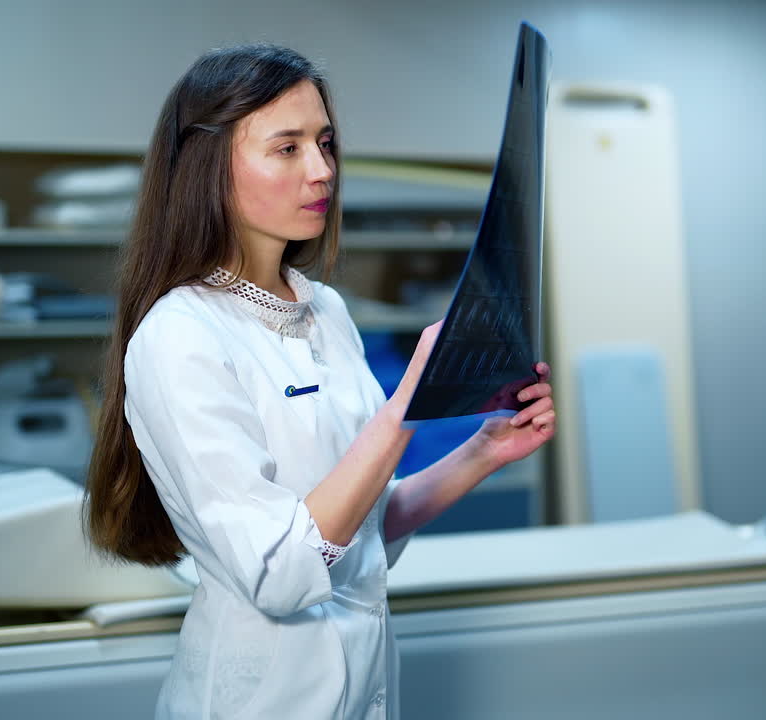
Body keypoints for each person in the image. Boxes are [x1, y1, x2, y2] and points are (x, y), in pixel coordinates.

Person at [84, 44, 557, 720]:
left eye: (326, 143)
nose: (322, 170)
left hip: (363, 692)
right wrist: (405, 409)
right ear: (208, 169)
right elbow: (280, 573)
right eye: (288, 148)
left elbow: (361, 531)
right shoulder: (180, 335)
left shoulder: (325, 311)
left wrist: (483, 451)